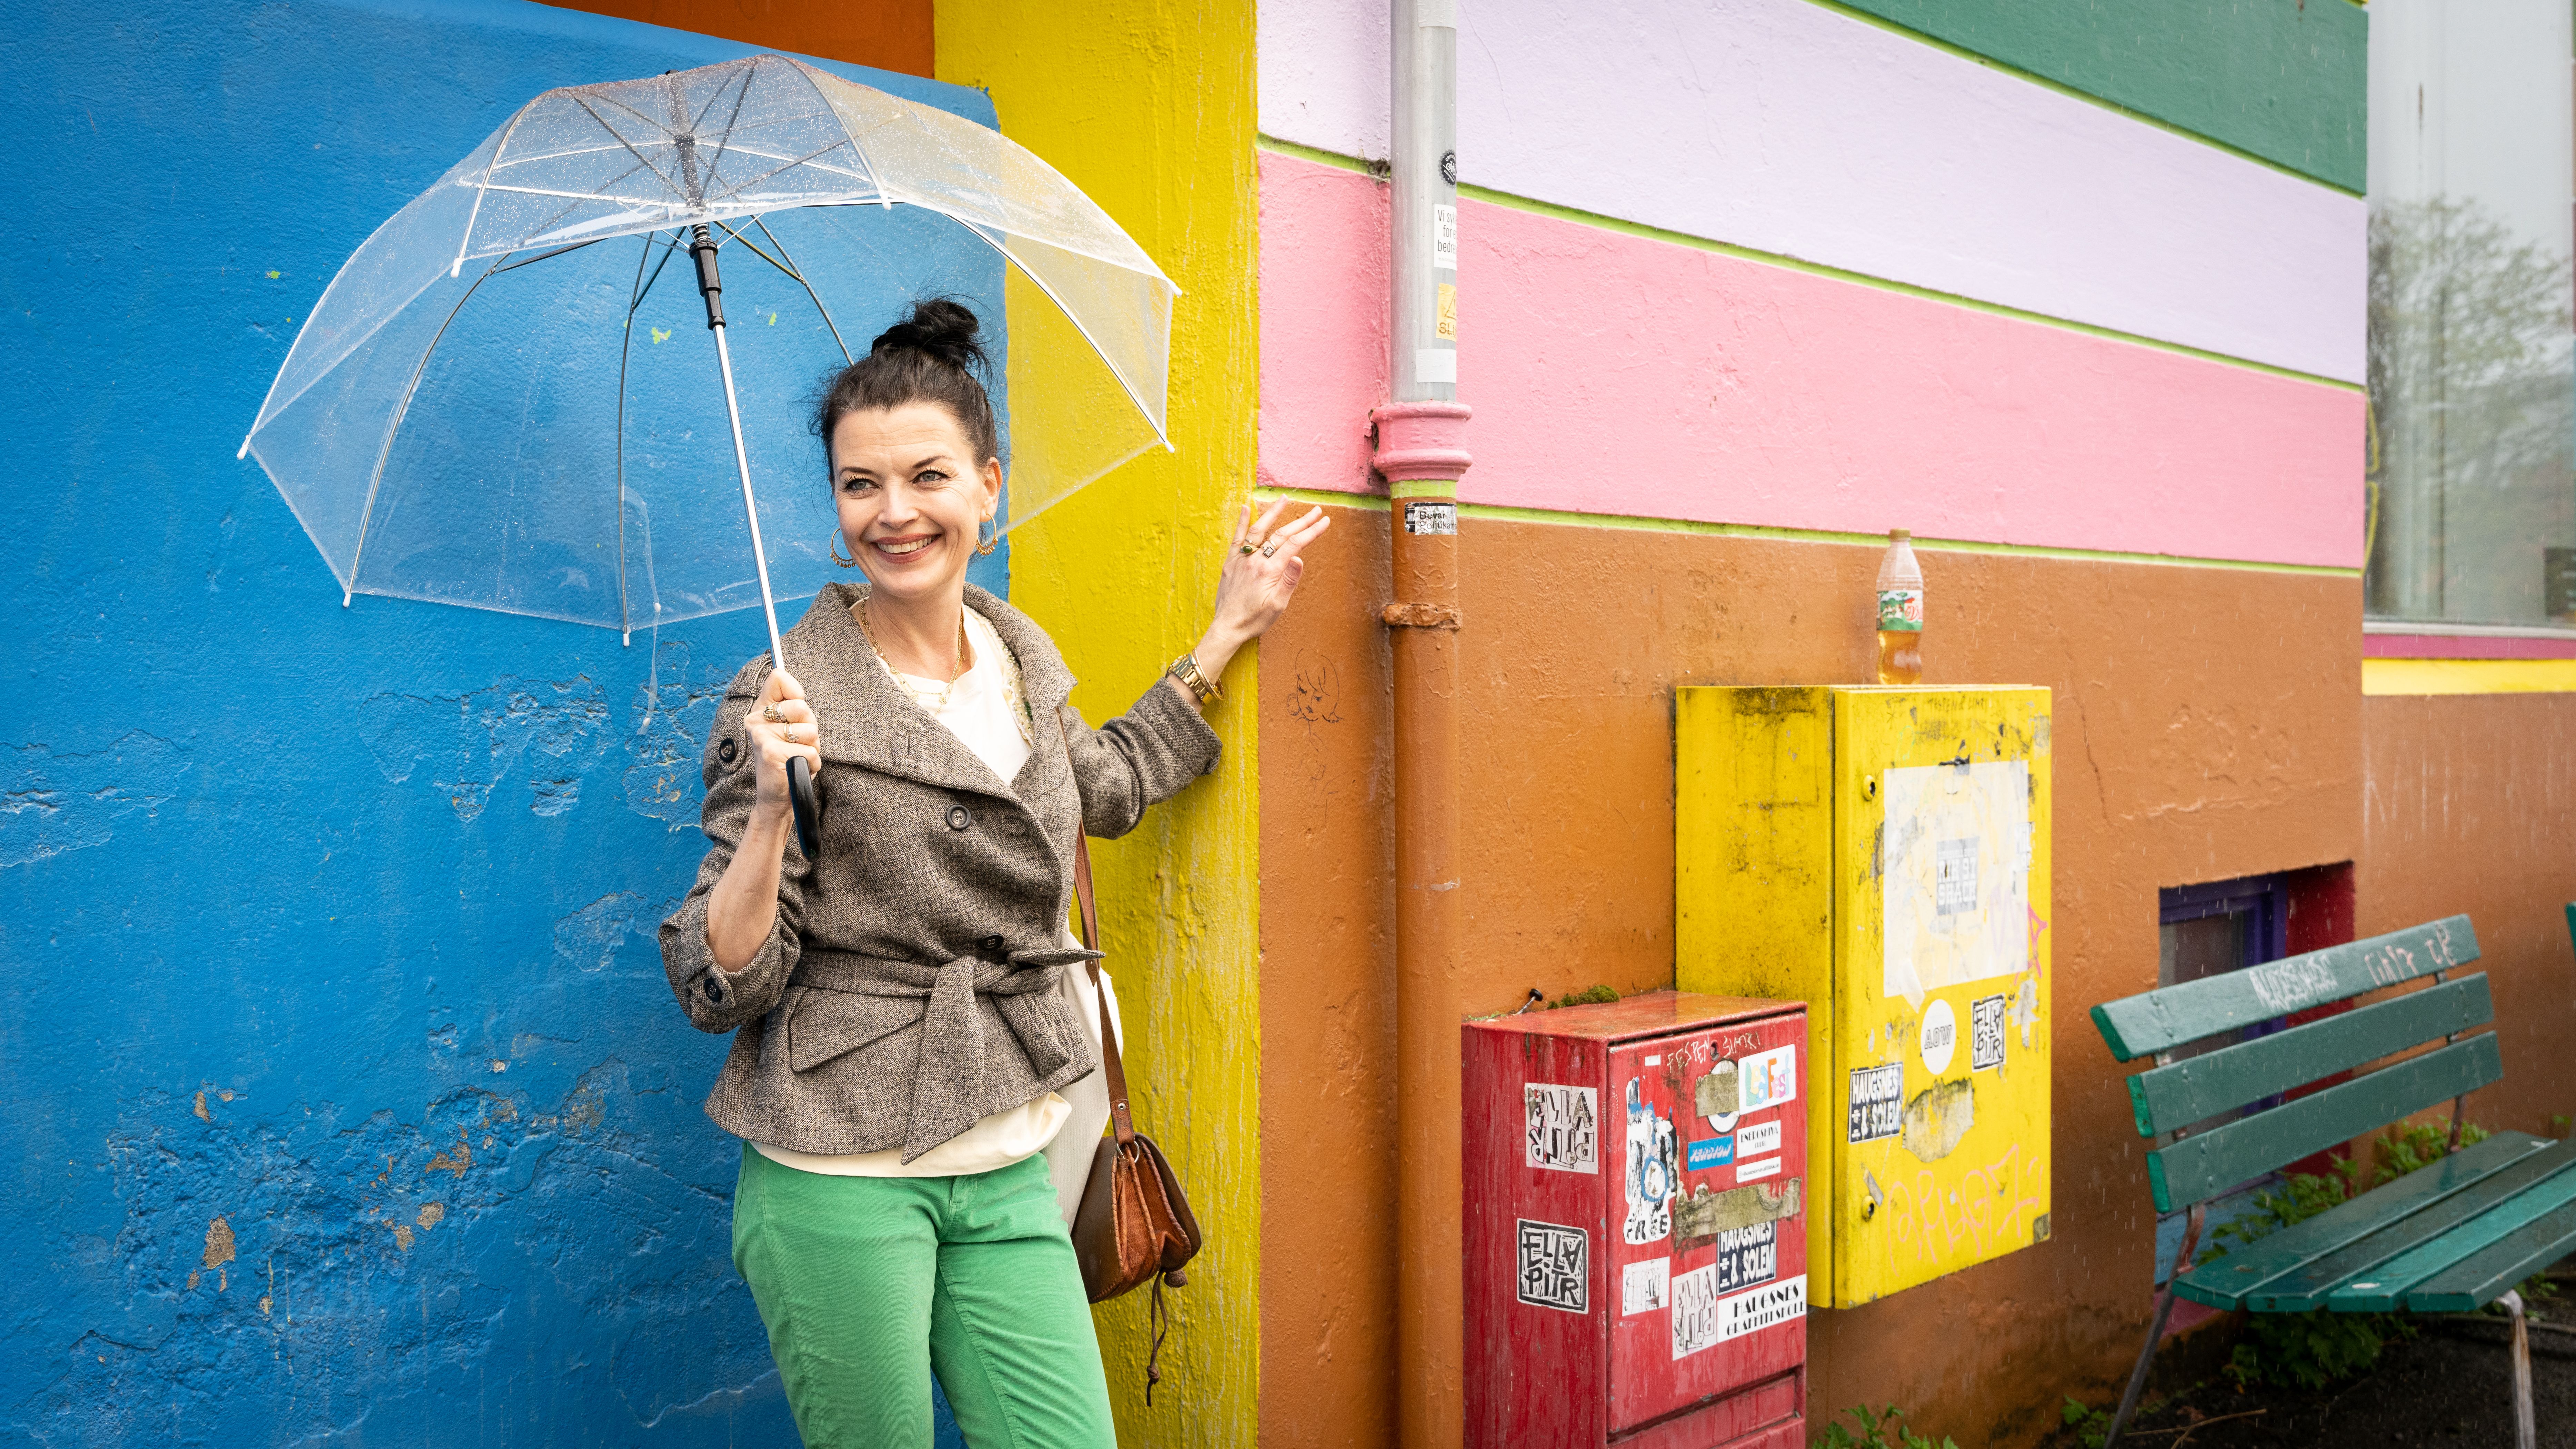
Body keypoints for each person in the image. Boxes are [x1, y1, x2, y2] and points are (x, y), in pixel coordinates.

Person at [658, 298, 1326, 1449]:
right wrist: (772, 808)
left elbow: (1103, 789)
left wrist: (1223, 636)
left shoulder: (1021, 664)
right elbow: (721, 982)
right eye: (859, 485)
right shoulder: (782, 696)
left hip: (1011, 1144)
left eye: (927, 476)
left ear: (988, 488)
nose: (895, 512)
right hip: (839, 1163)